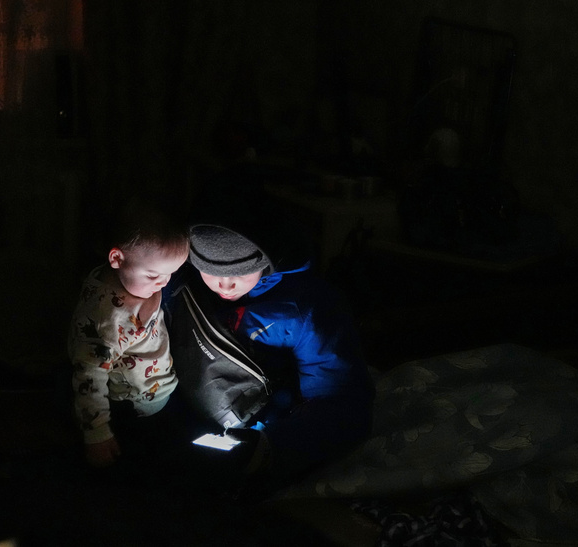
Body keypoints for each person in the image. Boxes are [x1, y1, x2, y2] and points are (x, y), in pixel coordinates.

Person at [163, 186, 375, 487]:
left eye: (239, 272)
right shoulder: (176, 282)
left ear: (267, 259)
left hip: (264, 438)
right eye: (209, 270)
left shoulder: (307, 308)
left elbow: (343, 403)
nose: (224, 284)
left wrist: (270, 447)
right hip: (183, 430)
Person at [66, 199, 190, 469]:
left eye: (171, 273)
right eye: (154, 275)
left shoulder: (132, 278)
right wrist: (97, 434)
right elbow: (88, 375)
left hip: (160, 389)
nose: (163, 283)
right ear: (116, 259)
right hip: (133, 407)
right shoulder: (106, 320)